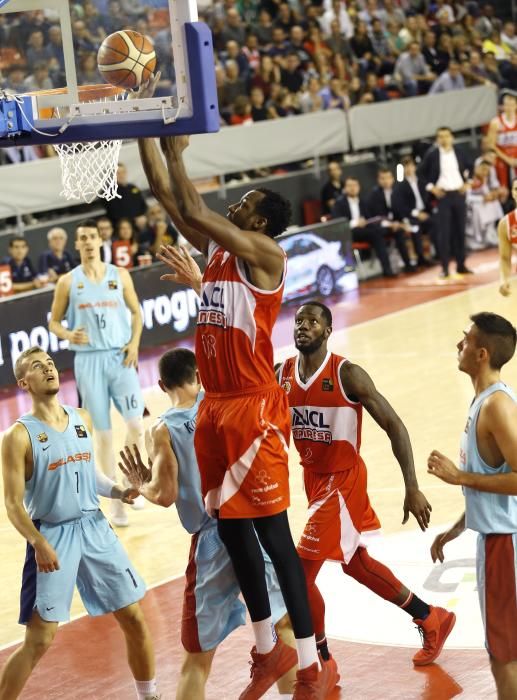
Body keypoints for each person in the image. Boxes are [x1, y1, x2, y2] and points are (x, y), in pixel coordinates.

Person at [138, 119, 338, 698]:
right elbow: (169, 199)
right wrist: (146, 133)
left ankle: (308, 663)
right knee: (233, 533)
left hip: (253, 412)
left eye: (245, 201)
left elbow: (196, 209)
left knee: (275, 537)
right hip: (215, 410)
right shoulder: (220, 255)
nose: (236, 202)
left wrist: (179, 152)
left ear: (258, 221)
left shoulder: (265, 254)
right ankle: (266, 649)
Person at [277, 301, 455, 666]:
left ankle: (321, 658)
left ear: (327, 331)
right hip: (313, 480)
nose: (303, 326)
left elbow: (394, 424)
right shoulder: (282, 373)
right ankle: (430, 616)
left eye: (313, 321)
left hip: (343, 482)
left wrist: (411, 485)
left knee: (298, 576)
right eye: (298, 321)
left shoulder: (347, 374)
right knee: (356, 565)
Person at [119, 348, 296, 700]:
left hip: (214, 539)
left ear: (161, 384)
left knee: (197, 657)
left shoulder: (163, 429)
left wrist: (143, 485)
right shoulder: (224, 403)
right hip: (254, 522)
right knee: (282, 624)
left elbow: (165, 493)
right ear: (199, 374)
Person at [0, 346, 160, 700]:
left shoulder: (81, 418)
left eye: (51, 364)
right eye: (38, 367)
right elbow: (12, 505)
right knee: (40, 639)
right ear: (24, 382)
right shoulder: (17, 436)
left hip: (94, 527)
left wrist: (120, 492)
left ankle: (150, 695)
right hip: (53, 534)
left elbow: (92, 475)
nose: (48, 369)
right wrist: (39, 543)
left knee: (133, 618)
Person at [427, 312, 517, 700]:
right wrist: (458, 526)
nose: (457, 346)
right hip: (495, 539)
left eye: (464, 341)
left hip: (505, 544)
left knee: (505, 655)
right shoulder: (483, 400)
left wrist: (460, 477)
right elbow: (492, 479)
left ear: (481, 354)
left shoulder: (496, 405)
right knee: (504, 651)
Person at [48, 219, 145, 528]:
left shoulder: (120, 275)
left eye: (91, 236)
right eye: (82, 238)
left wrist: (134, 344)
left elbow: (137, 312)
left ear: (100, 239)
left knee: (136, 427)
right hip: (88, 362)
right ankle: (117, 506)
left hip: (121, 357)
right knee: (102, 437)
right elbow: (54, 322)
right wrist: (66, 334)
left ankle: (137, 480)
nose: (88, 242)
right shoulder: (68, 281)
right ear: (76, 245)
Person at [418, 126, 472, 279]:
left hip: (459, 195)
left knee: (460, 231)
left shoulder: (460, 151)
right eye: (440, 136)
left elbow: (471, 166)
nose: (444, 139)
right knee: (444, 233)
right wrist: (431, 188)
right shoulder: (433, 155)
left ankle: (461, 265)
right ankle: (445, 267)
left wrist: (468, 183)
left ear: (452, 137)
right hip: (443, 197)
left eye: (446, 136)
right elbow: (420, 173)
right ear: (437, 139)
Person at [331, 176, 396, 278]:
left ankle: (387, 269)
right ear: (345, 188)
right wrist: (355, 222)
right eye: (350, 186)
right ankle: (386, 268)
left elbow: (370, 218)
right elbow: (337, 223)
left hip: (365, 231)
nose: (353, 188)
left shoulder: (363, 201)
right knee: (375, 234)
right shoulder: (339, 203)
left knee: (378, 232)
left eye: (355, 185)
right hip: (348, 233)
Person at [367, 167, 416, 273]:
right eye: (382, 178)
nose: (385, 181)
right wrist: (391, 224)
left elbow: (402, 210)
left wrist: (401, 222)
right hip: (381, 226)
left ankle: (408, 263)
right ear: (378, 180)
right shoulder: (374, 195)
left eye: (388, 178)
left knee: (402, 231)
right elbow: (376, 216)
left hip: (397, 225)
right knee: (378, 235)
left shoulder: (398, 192)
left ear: (392, 179)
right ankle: (387, 269)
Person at [392, 155, 436, 265]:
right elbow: (401, 206)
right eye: (405, 167)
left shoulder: (422, 182)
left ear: (414, 167)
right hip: (411, 216)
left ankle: (440, 252)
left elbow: (429, 199)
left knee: (437, 221)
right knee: (416, 227)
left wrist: (430, 211)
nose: (408, 169)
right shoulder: (400, 187)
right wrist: (416, 213)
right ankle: (421, 258)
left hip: (426, 213)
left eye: (410, 166)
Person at [487, 91, 517, 191]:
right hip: (502, 156)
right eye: (506, 105)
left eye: (511, 105)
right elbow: (491, 145)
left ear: (516, 105)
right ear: (503, 106)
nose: (509, 108)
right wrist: (507, 159)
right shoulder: (496, 122)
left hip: (515, 155)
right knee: (503, 189)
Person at [497, 177, 517, 297]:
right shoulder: (506, 224)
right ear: (513, 193)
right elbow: (505, 258)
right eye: (516, 189)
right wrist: (504, 280)